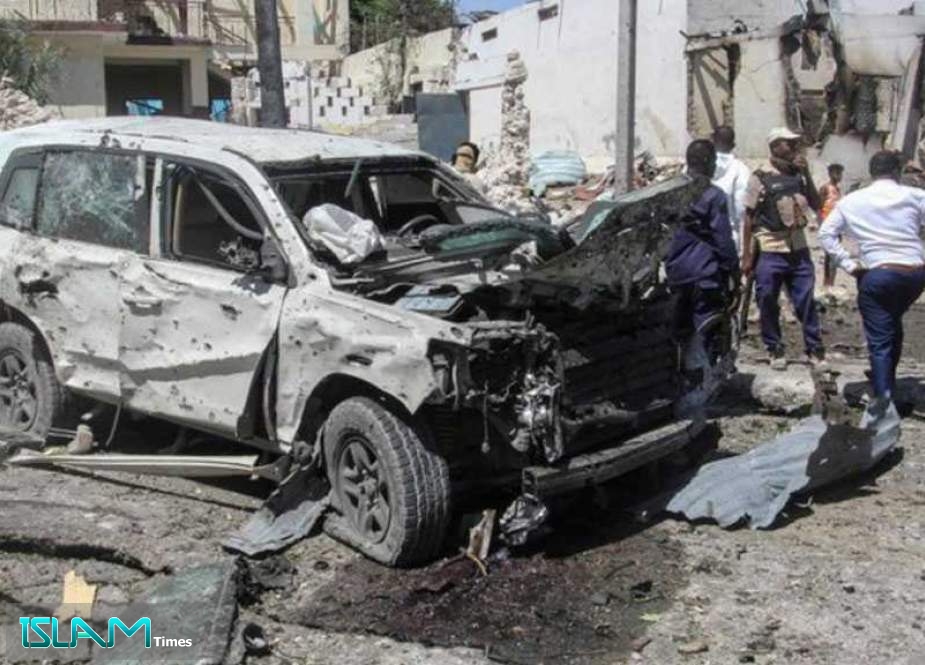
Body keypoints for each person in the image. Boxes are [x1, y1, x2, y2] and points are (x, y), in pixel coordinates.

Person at [819, 150, 925, 403]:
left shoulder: (852, 201)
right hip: (915, 274)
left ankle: (883, 399)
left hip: (879, 274)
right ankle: (886, 377)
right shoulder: (916, 195)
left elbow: (825, 234)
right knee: (892, 321)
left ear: (871, 173)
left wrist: (848, 264)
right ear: (897, 171)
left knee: (879, 340)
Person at [741, 127, 824, 370]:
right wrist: (747, 255)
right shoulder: (760, 177)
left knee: (805, 300)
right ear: (775, 146)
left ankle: (815, 349)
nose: (794, 147)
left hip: (798, 248)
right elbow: (748, 217)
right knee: (767, 298)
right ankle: (774, 347)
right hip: (770, 247)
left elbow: (816, 204)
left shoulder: (799, 176)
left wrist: (806, 173)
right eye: (789, 143)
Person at [666, 140, 740, 355]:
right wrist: (734, 271)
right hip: (703, 273)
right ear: (707, 162)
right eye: (714, 161)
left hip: (676, 272)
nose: (715, 166)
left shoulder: (670, 192)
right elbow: (723, 239)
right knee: (705, 327)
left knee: (680, 330)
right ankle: (700, 370)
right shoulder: (713, 195)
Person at [711, 126, 751, 254]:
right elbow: (742, 211)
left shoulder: (698, 164)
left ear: (712, 141)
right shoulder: (741, 170)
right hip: (728, 239)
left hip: (699, 241)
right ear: (733, 145)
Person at [818, 163, 845, 289]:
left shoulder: (838, 190)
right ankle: (827, 283)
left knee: (834, 255)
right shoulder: (825, 188)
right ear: (830, 174)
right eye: (836, 173)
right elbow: (818, 207)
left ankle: (830, 283)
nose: (839, 176)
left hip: (836, 226)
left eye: (840, 173)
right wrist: (821, 224)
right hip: (827, 225)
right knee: (830, 255)